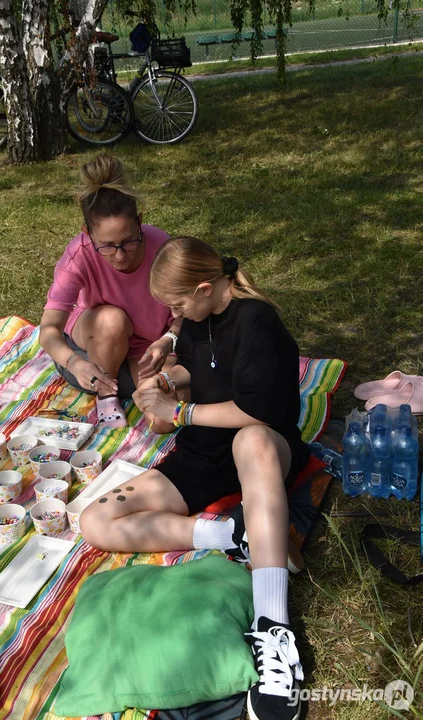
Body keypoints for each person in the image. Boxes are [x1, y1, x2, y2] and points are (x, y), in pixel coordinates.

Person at [80, 237, 310, 720]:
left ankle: (274, 627)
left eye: (177, 304)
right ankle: (232, 532)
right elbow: (203, 369)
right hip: (203, 454)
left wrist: (179, 411)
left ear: (205, 288)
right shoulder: (198, 318)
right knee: (96, 520)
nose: (173, 316)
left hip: (263, 449)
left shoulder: (257, 322)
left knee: (251, 439)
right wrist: (166, 381)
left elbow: (254, 409)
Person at [39, 154, 181, 430]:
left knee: (166, 421)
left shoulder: (162, 246)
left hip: (149, 347)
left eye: (129, 242)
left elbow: (186, 309)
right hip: (94, 339)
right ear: (87, 234)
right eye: (107, 245)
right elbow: (48, 330)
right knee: (112, 319)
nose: (119, 256)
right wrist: (76, 364)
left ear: (140, 222)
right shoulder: (78, 255)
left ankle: (124, 382)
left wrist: (169, 338)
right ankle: (106, 395)